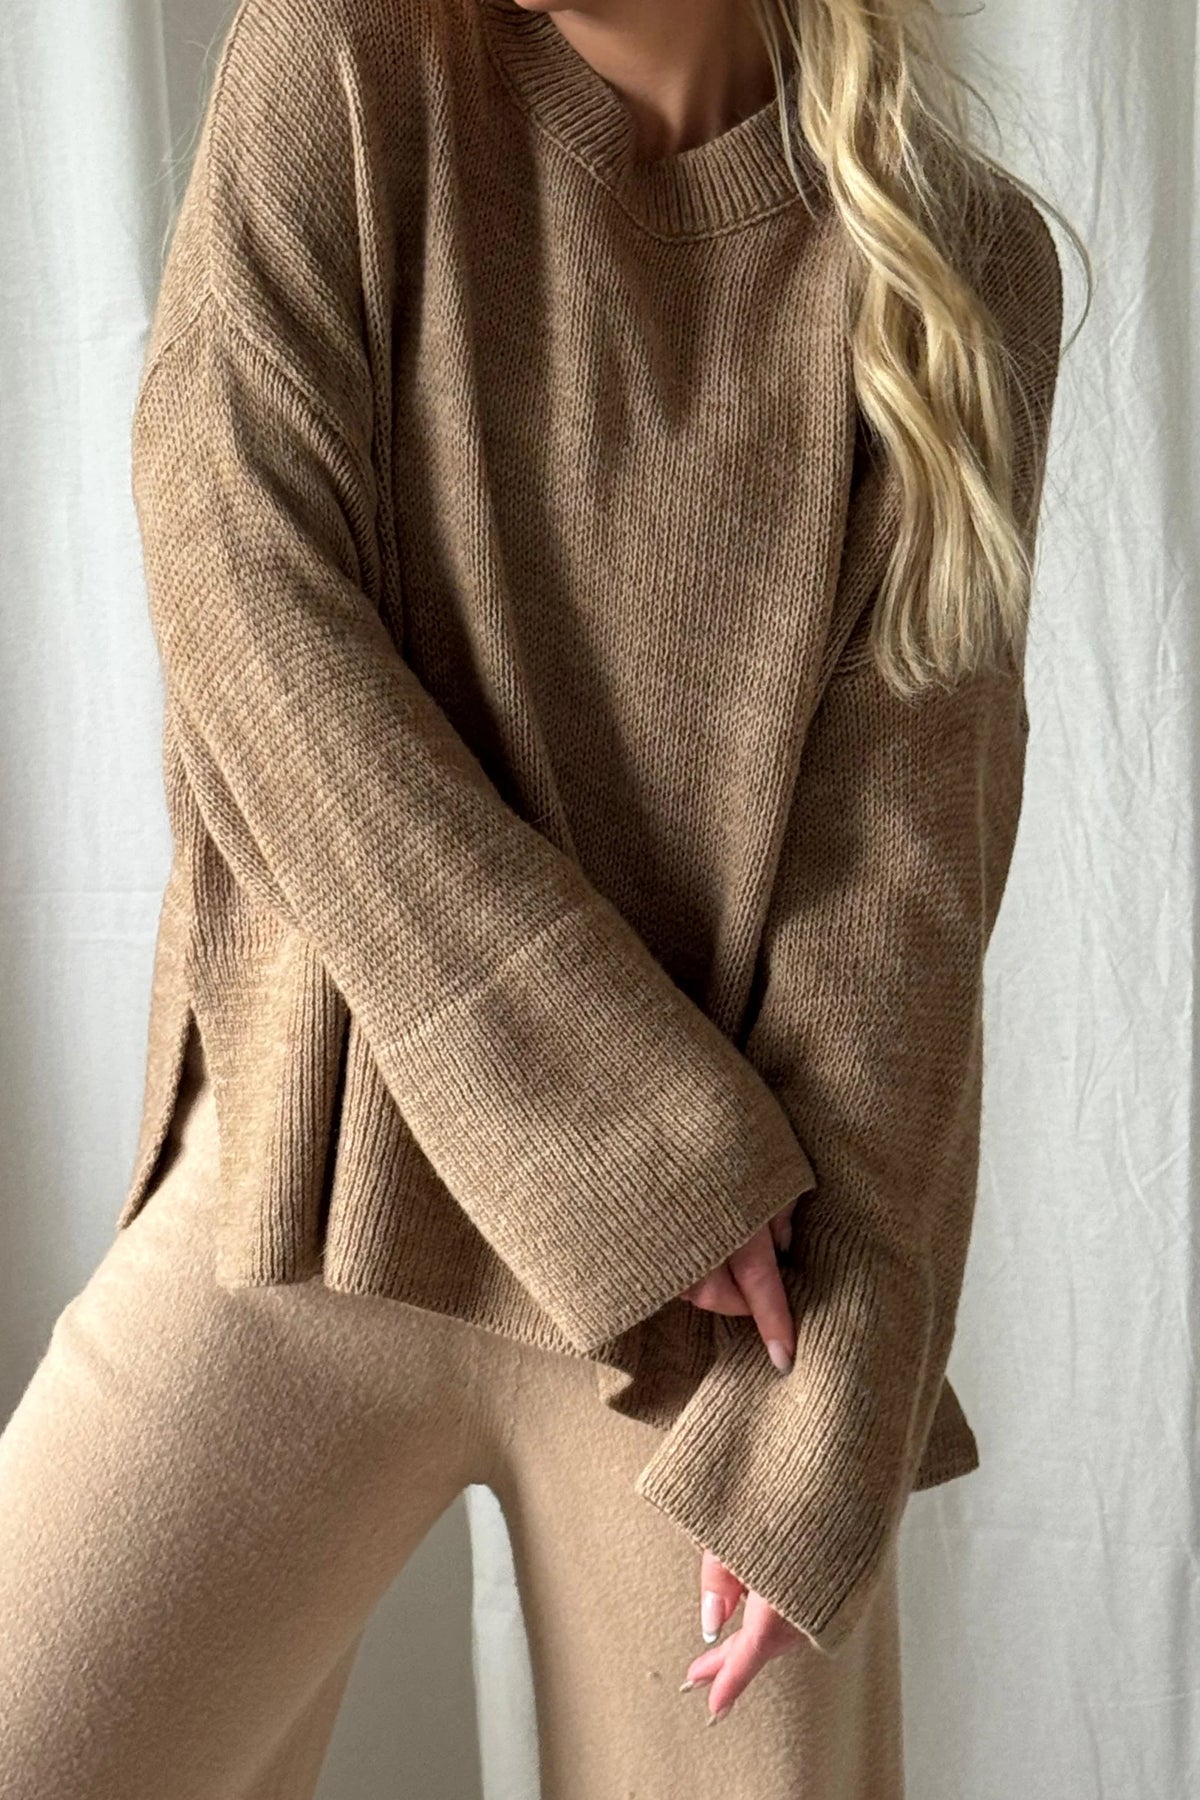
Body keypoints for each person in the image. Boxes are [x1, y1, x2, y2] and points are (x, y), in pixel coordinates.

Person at [0, 1, 1086, 1794]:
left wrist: (829, 1401)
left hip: (732, 1321)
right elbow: (240, 587)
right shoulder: (343, 64)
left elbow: (903, 885)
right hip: (324, 1195)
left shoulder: (959, 267)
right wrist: (636, 1151)